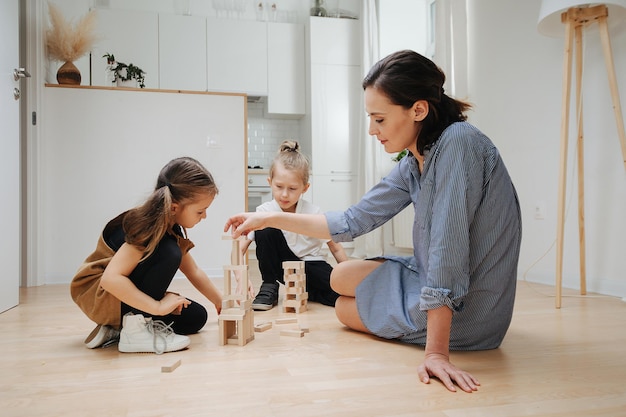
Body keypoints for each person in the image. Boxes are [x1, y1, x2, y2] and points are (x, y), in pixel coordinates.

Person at [224, 50, 521, 392]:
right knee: (341, 276)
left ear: (418, 110)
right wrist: (271, 218)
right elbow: (353, 220)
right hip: (429, 274)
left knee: (344, 311)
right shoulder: (414, 161)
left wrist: (437, 353)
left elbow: (447, 250)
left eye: (379, 119)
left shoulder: (458, 145)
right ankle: (402, 309)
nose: (371, 129)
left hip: (468, 305)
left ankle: (437, 332)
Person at [71, 156, 223, 354]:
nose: (204, 216)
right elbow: (110, 279)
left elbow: (193, 270)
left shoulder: (170, 227)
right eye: (200, 211)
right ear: (174, 207)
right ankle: (134, 333)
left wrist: (221, 301)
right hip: (101, 294)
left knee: (195, 317)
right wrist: (158, 306)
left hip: (117, 294)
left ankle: (118, 327)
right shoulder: (146, 227)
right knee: (169, 252)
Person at [241, 140, 348, 311]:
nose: (284, 194)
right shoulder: (264, 210)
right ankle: (269, 286)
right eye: (279, 187)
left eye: (292, 188)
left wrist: (346, 275)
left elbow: (336, 248)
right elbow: (240, 248)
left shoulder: (313, 212)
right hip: (283, 267)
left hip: (311, 266)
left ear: (305, 188)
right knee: (265, 223)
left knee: (340, 294)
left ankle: (311, 292)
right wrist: (241, 277)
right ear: (270, 182)